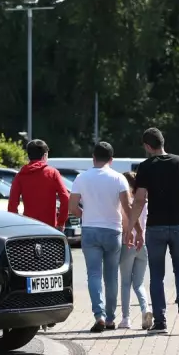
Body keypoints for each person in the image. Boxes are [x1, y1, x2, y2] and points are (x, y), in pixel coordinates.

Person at [124, 128, 179, 334]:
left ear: (147, 146)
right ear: (163, 142)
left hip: (156, 227)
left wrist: (130, 228)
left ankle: (160, 321)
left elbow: (140, 200)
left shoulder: (145, 167)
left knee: (157, 275)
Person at [69, 142, 142, 333]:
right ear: (112, 159)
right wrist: (134, 230)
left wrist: (84, 214)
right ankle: (110, 319)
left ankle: (98, 315)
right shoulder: (119, 179)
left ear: (93, 157)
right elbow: (127, 209)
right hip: (113, 231)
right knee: (110, 277)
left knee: (93, 274)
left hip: (90, 230)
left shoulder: (80, 178)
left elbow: (72, 207)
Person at [8, 139, 70, 230]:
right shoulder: (52, 173)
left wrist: (16, 225)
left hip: (28, 226)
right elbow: (65, 198)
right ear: (45, 155)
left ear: (28, 156)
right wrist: (61, 223)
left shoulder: (21, 175)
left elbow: (12, 203)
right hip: (50, 228)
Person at [119, 171, 153, 330]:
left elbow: (124, 223)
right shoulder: (144, 202)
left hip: (128, 243)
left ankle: (126, 318)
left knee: (126, 283)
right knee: (139, 283)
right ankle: (146, 309)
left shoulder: (125, 203)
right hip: (143, 245)